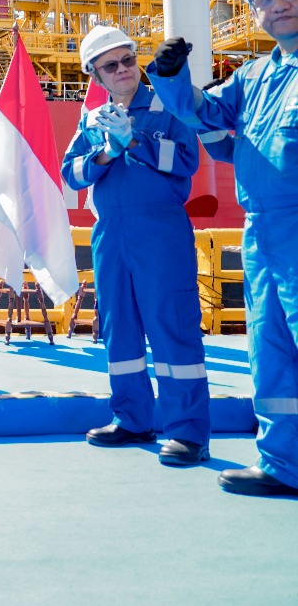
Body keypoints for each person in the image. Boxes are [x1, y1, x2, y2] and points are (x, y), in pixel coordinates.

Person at [147, 0, 298, 497]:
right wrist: (170, 77)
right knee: (272, 349)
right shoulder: (257, 75)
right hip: (262, 232)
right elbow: (202, 113)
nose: (278, 6)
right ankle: (285, 463)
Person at [61, 25, 211, 466]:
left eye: (128, 59)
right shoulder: (92, 120)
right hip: (111, 233)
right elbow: (70, 174)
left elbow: (187, 161)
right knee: (119, 328)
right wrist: (105, 153)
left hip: (160, 231)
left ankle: (188, 433)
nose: (124, 69)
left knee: (172, 326)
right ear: (96, 76)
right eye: (111, 65)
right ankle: (133, 419)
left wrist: (137, 142)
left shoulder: (167, 106)